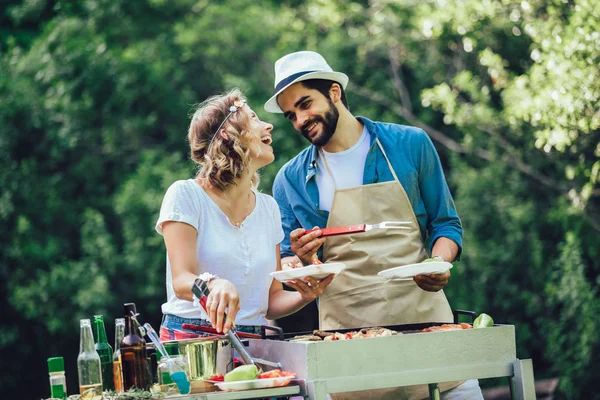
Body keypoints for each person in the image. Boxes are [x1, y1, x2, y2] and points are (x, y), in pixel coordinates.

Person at [265, 51, 483, 399]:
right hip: (346, 348)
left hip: (428, 329)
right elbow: (287, 264)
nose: (300, 120)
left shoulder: (410, 144)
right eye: (291, 114)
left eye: (306, 104)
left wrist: (439, 263)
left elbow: (446, 224)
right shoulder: (289, 180)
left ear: (334, 92)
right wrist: (304, 261)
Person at [156, 88, 334, 341]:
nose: (269, 125)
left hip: (256, 344)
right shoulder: (185, 195)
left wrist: (305, 295)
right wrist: (213, 284)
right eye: (254, 119)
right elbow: (182, 280)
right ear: (230, 136)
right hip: (193, 343)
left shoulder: (268, 208)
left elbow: (271, 299)